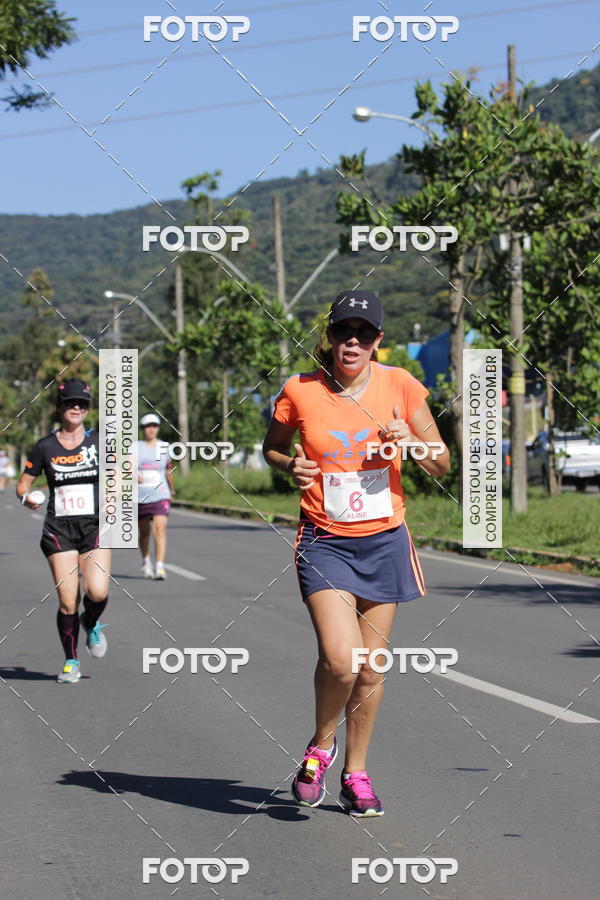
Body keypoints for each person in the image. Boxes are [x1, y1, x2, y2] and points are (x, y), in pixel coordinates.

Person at [263, 290, 450, 817]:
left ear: (377, 341)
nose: (353, 341)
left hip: (385, 540)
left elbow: (442, 464)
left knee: (370, 669)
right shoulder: (300, 390)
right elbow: (272, 446)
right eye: (344, 331)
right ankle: (321, 745)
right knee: (341, 659)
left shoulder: (402, 385)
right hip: (324, 538)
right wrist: (288, 466)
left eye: (364, 333)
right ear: (330, 335)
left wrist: (411, 440)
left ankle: (356, 773)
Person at [16, 379, 111, 684]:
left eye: (82, 403)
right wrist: (26, 497)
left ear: (88, 408)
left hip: (94, 526)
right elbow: (24, 482)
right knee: (68, 600)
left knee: (97, 591)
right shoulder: (45, 446)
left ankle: (91, 621)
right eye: (70, 402)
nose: (76, 408)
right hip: (59, 529)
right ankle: (71, 660)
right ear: (59, 407)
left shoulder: (99, 443)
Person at [137, 413, 174, 580]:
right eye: (147, 426)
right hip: (140, 496)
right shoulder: (134, 447)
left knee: (159, 529)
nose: (151, 429)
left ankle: (159, 566)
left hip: (161, 494)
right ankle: (146, 561)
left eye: (154, 426)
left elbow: (168, 469)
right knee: (144, 532)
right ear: (143, 429)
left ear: (158, 428)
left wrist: (172, 490)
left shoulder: (165, 447)